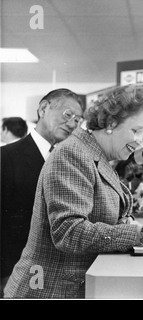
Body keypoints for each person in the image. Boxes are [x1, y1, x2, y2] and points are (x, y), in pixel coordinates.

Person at [4, 85, 143, 299]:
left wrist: (131, 225)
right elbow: (69, 232)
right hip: (49, 289)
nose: (140, 141)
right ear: (111, 123)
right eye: (137, 131)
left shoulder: (97, 154)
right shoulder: (73, 153)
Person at [0, 88, 84, 296]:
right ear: (43, 109)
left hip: (60, 275)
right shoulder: (6, 157)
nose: (73, 123)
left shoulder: (72, 162)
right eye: (67, 115)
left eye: (78, 119)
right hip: (13, 274)